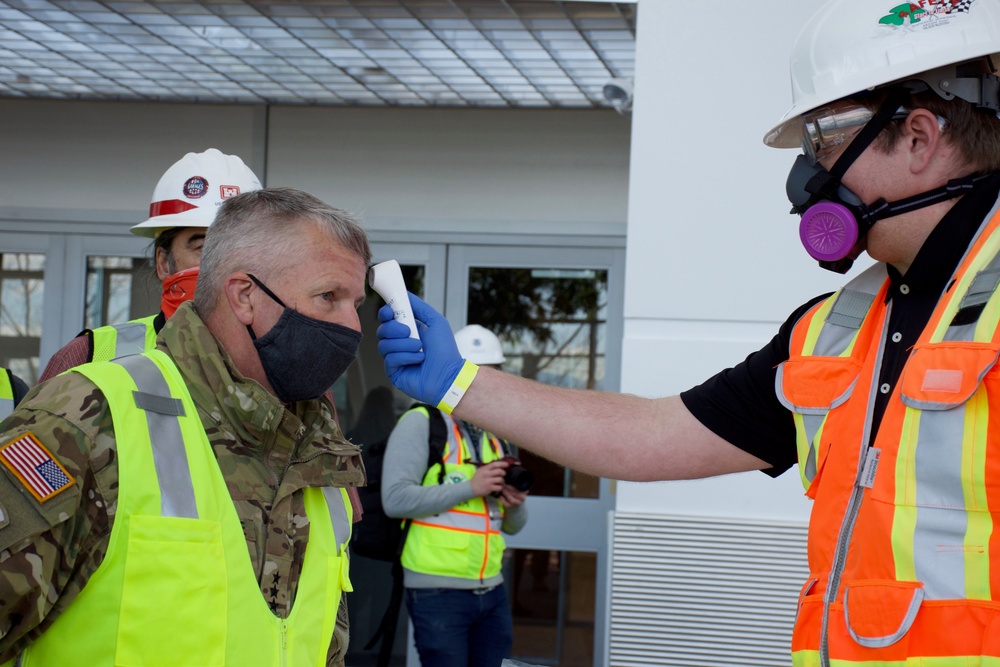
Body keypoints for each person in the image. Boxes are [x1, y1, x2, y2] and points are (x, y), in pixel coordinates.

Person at [375, 2, 1000, 665]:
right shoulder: (835, 329)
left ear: (919, 137)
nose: (808, 179)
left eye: (825, 141)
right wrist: (460, 383)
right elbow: (652, 436)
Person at [0, 187, 371, 665]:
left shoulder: (317, 451)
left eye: (355, 303)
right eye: (329, 297)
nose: (353, 327)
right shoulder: (88, 418)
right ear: (244, 296)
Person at [38, 147, 262, 381]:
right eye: (204, 248)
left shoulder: (284, 365)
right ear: (164, 263)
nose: (224, 264)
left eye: (239, 247)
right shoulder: (87, 358)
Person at [381, 324, 528, 667]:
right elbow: (395, 500)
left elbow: (514, 526)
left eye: (490, 374)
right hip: (436, 591)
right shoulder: (422, 423)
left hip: (492, 589)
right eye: (474, 374)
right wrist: (471, 487)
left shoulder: (499, 435)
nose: (482, 384)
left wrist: (515, 504)